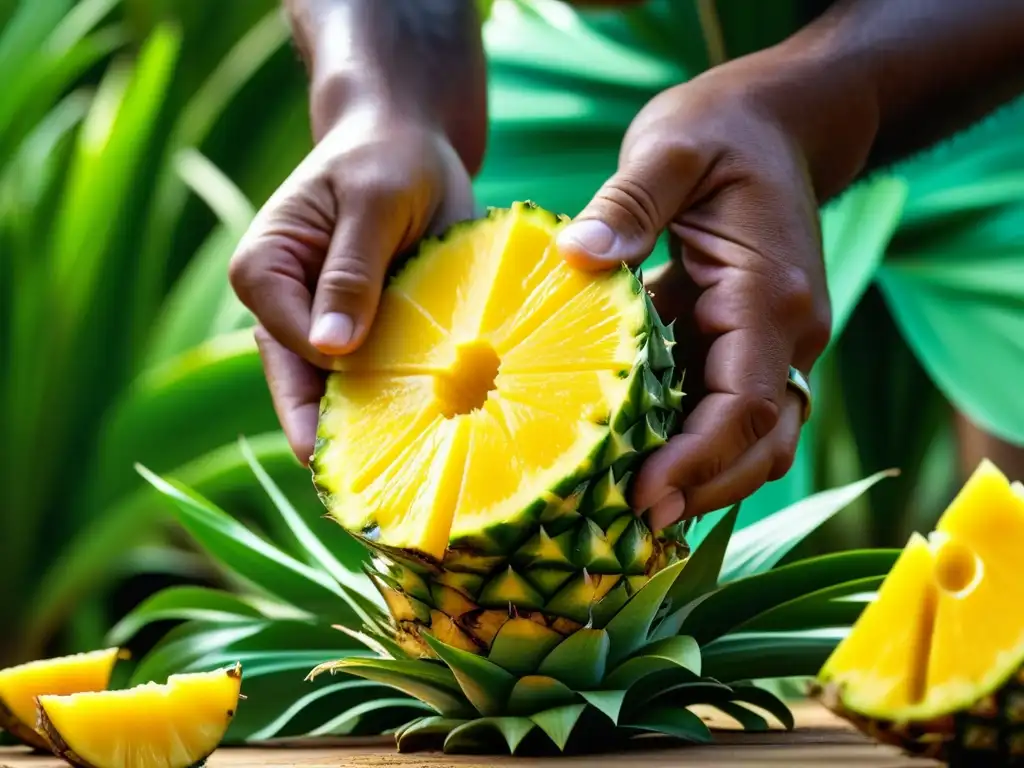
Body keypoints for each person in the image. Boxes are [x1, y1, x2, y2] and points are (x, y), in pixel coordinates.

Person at [228, 0, 1024, 532]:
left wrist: (839, 95)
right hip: (616, 41)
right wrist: (383, 96)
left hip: (958, 30)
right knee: (410, 330)